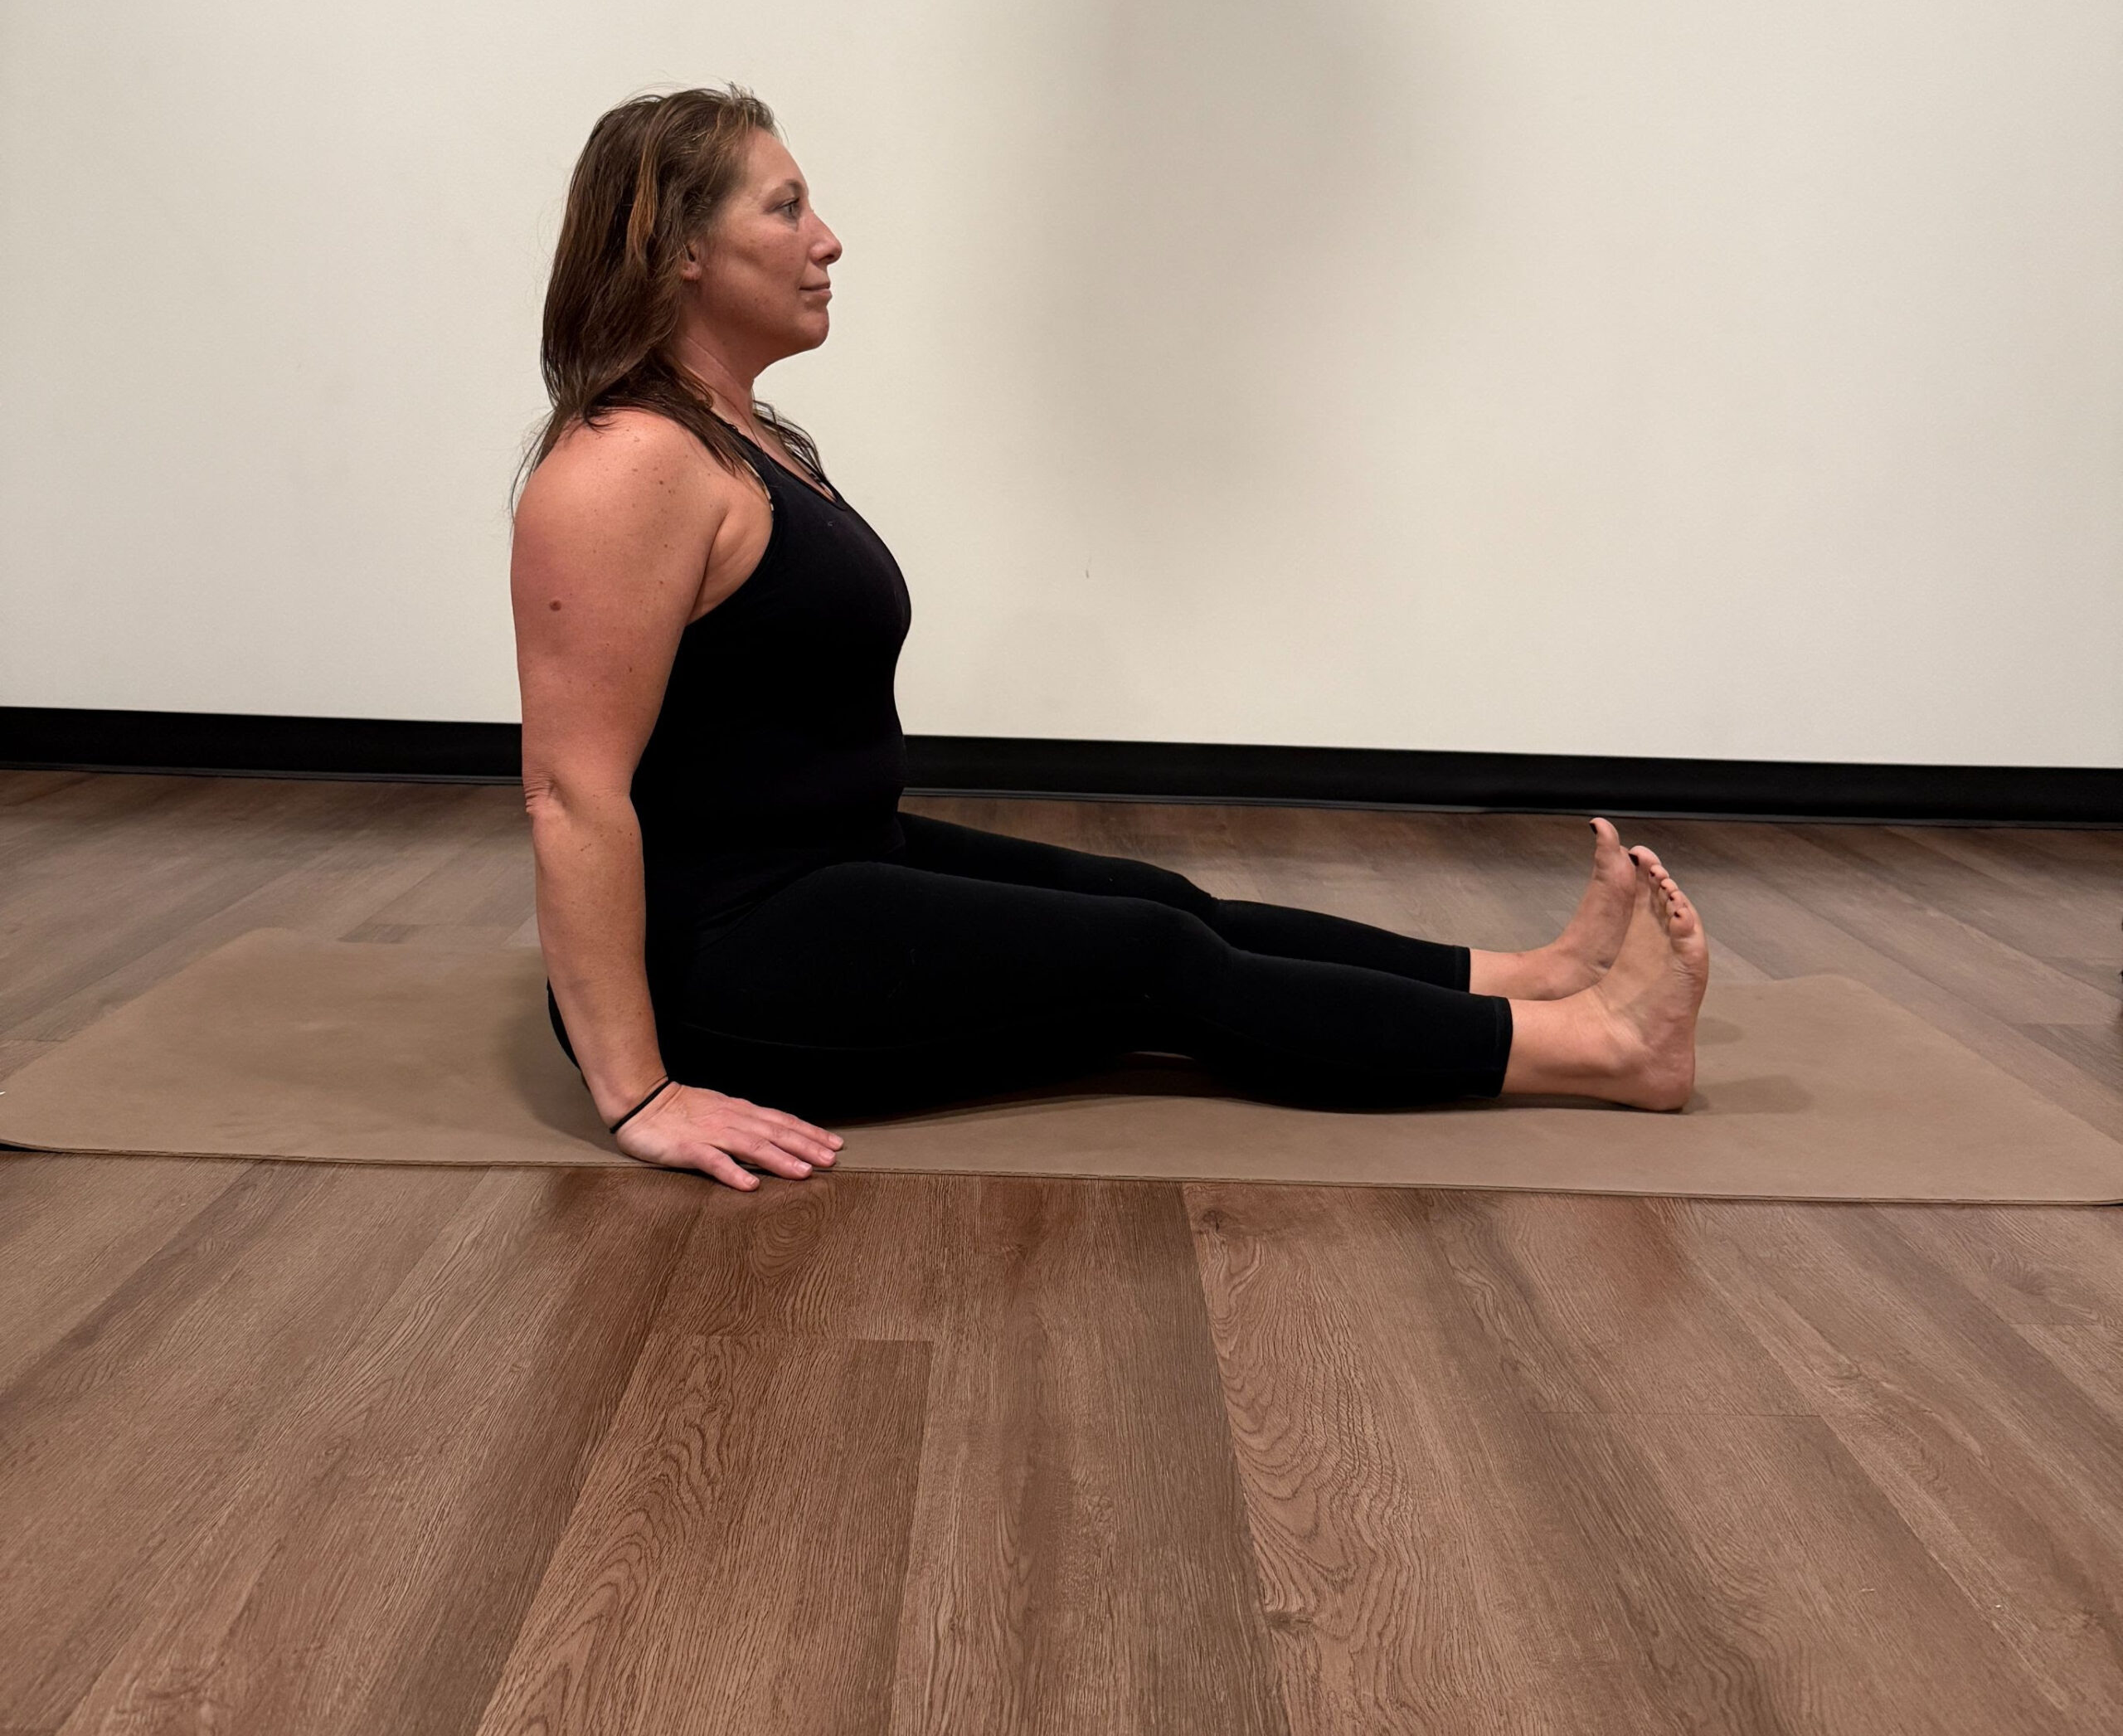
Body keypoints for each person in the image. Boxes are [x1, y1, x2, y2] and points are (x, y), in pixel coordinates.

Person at [509, 85, 1710, 1191]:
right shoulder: (625, 465)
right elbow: (571, 792)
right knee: (1152, 960)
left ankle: (1525, 980)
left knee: (1161, 898)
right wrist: (640, 1093)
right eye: (786, 209)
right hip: (721, 961)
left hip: (828, 866)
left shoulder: (739, 437)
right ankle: (1601, 1049)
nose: (827, 240)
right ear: (680, 248)